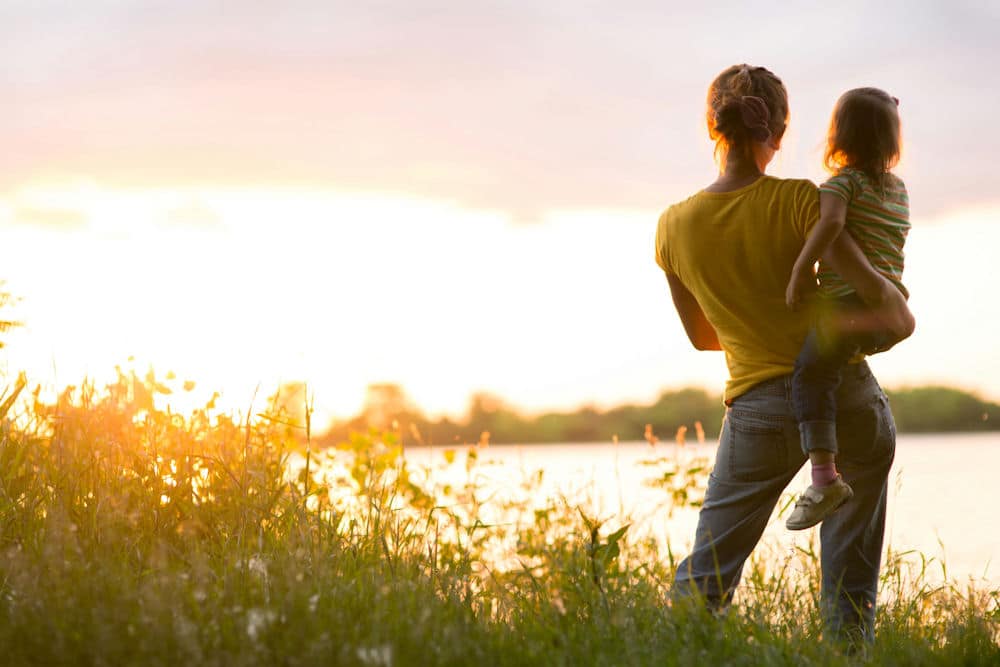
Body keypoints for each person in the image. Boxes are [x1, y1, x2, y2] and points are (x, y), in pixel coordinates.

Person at [654, 64, 914, 644]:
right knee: (850, 592)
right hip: (845, 395)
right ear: (779, 129)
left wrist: (753, 325)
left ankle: (673, 655)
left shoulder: (672, 227)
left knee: (707, 576)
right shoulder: (802, 202)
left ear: (713, 126)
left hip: (756, 411)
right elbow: (878, 297)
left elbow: (703, 336)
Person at [784, 88, 910, 531]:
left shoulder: (839, 185)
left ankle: (823, 477)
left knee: (811, 373)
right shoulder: (898, 191)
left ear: (839, 134)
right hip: (887, 309)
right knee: (834, 366)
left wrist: (802, 268)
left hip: (847, 304)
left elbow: (832, 224)